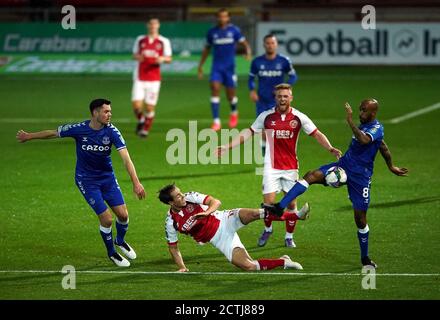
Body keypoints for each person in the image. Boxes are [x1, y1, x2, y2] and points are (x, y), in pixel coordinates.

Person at [263, 99, 408, 268]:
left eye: (363, 111)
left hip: (360, 177)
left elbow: (366, 141)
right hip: (344, 164)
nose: (360, 113)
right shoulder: (364, 126)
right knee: (311, 175)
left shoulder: (376, 128)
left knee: (360, 219)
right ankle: (281, 206)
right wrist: (391, 165)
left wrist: (350, 121)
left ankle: (365, 258)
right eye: (360, 110)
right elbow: (382, 147)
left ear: (373, 113)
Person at [16, 99, 146, 267]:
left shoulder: (112, 132)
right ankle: (112, 253)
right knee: (106, 219)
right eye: (106, 111)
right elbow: (53, 133)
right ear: (95, 113)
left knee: (123, 215)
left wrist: (136, 183)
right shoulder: (79, 129)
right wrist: (29, 136)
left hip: (107, 179)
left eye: (110, 111)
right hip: (87, 181)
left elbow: (126, 159)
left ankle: (120, 241)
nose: (109, 114)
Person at [217, 83, 342, 248]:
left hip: (290, 167)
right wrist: (227, 146)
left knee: (291, 205)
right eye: (279, 96)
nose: (282, 99)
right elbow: (248, 132)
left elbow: (316, 133)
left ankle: (289, 236)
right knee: (269, 206)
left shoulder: (299, 117)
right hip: (271, 168)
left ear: (291, 97)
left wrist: (330, 147)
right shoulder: (266, 116)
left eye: (285, 96)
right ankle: (268, 229)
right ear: (275, 98)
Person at [158, 184, 305, 272]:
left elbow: (215, 201)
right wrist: (182, 267)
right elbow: (173, 248)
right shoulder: (171, 221)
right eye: (178, 196)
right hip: (220, 239)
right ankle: (284, 261)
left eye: (180, 192)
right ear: (171, 202)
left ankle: (297, 216)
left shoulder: (190, 196)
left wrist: (206, 213)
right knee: (248, 266)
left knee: (255, 213)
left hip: (224, 218)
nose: (182, 196)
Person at [248, 35, 299, 246]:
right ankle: (268, 229)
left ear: (276, 45)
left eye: (273, 43)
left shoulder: (284, 60)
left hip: (280, 101)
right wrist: (252, 89)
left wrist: (285, 87)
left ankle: (289, 236)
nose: (270, 46)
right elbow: (251, 78)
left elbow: (294, 76)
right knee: (264, 132)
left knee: (291, 200)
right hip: (264, 103)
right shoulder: (257, 61)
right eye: (267, 43)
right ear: (264, 45)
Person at [197, 8, 252, 131]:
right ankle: (216, 121)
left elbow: (245, 43)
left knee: (230, 96)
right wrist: (200, 65)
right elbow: (206, 49)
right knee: (215, 89)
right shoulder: (212, 32)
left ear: (228, 18)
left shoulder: (234, 30)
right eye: (220, 16)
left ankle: (234, 112)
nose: (222, 19)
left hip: (230, 68)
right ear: (217, 18)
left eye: (225, 16)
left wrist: (248, 52)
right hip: (216, 68)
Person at [132, 18, 172, 138]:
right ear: (147, 25)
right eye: (151, 23)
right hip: (139, 76)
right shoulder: (140, 40)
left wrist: (162, 59)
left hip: (154, 79)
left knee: (149, 107)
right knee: (136, 106)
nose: (153, 26)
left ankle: (145, 130)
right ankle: (142, 120)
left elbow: (169, 58)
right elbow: (134, 55)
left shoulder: (163, 41)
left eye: (155, 24)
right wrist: (139, 57)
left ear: (158, 25)